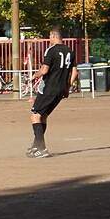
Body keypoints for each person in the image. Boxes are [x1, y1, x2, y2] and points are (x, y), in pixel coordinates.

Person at [27, 26, 78, 158]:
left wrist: (34, 76)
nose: (49, 39)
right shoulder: (70, 51)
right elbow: (75, 72)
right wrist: (67, 87)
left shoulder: (51, 50)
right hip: (60, 90)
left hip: (49, 88)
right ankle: (35, 146)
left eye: (50, 36)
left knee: (35, 115)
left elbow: (44, 70)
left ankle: (41, 148)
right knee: (43, 116)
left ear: (54, 36)